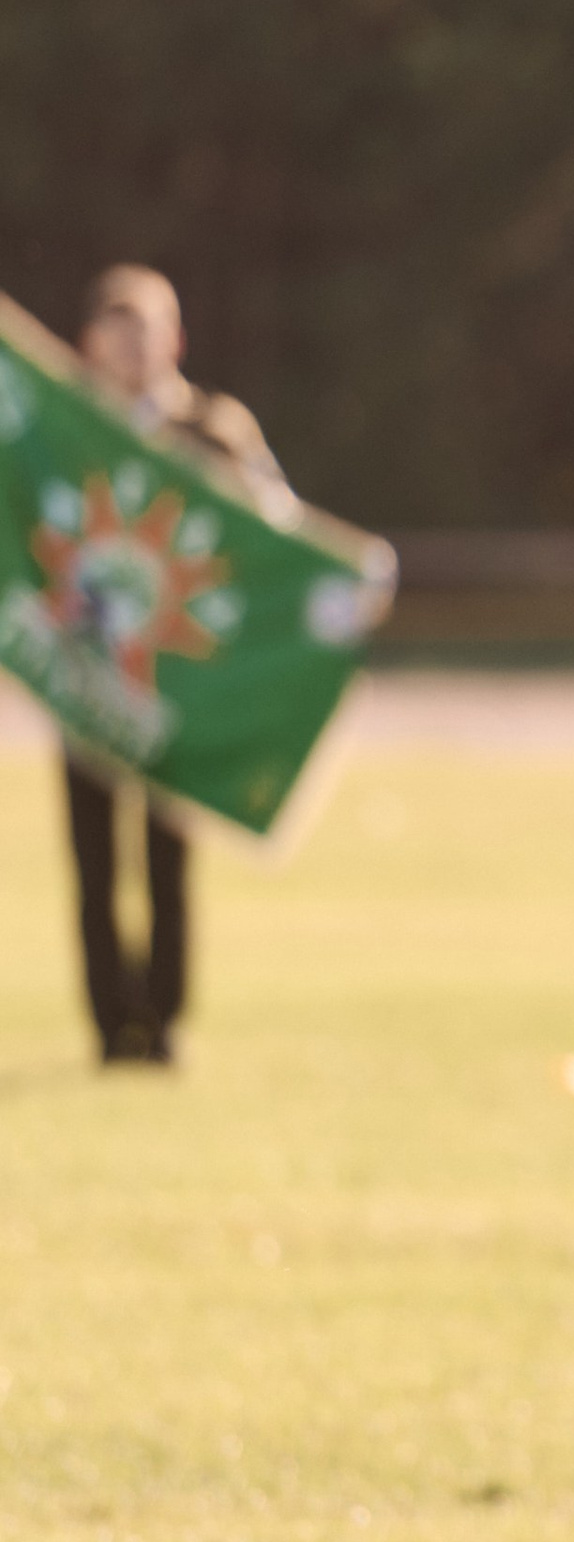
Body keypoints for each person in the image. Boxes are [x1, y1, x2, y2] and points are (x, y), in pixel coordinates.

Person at [63, 266, 285, 1067]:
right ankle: (106, 1023)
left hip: (176, 674)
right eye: (118, 332)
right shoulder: (67, 426)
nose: (132, 349)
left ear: (176, 340)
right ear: (92, 343)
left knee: (168, 857)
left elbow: (275, 533)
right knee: (93, 862)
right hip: (88, 672)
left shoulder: (214, 428)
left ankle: (163, 1018)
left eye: (148, 331)